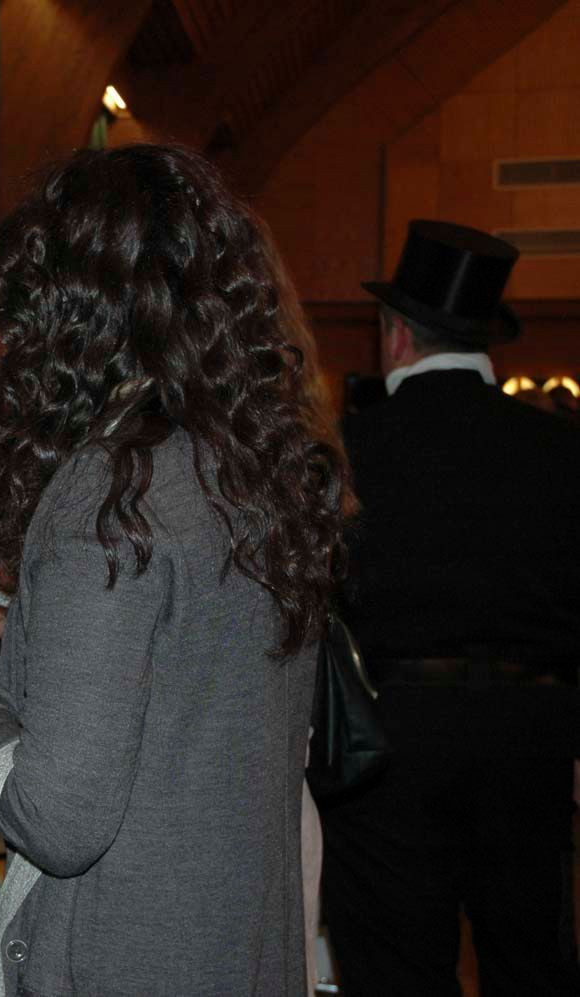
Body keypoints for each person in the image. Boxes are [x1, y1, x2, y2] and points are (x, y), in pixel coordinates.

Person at [0, 144, 350, 994]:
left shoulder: (109, 495)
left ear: (62, 312)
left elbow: (56, 820)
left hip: (125, 958)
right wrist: (29, 620)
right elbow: (188, 688)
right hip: (239, 951)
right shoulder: (255, 465)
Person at [320, 220, 580, 995]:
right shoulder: (561, 450)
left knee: (396, 972)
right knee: (530, 964)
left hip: (388, 745)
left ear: (396, 334)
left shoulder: (347, 450)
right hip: (530, 739)